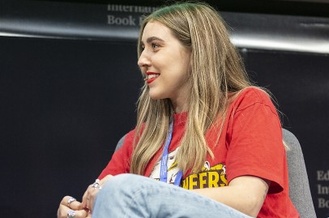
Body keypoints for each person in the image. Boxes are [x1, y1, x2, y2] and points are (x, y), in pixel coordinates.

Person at [57, 1, 299, 217]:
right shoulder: (141, 138)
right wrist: (78, 210)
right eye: (143, 48)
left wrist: (142, 196)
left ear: (196, 52)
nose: (142, 59)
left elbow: (246, 202)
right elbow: (106, 199)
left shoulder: (248, 105)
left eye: (155, 46)